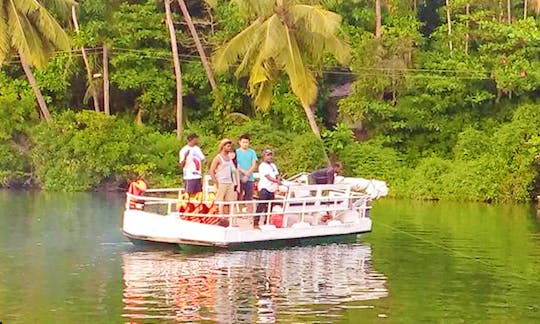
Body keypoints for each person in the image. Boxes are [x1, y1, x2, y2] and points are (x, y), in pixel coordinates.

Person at [209, 138, 238, 214]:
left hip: (229, 182)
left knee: (230, 202)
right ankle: (220, 217)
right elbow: (211, 170)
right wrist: (215, 182)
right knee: (220, 201)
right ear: (223, 146)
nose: (230, 148)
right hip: (221, 182)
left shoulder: (229, 158)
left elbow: (233, 170)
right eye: (228, 146)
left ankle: (229, 218)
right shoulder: (218, 158)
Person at [255, 149, 282, 227]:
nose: (270, 157)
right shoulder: (262, 166)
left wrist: (279, 179)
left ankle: (266, 222)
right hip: (264, 188)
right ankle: (256, 222)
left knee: (270, 206)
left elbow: (276, 174)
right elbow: (268, 177)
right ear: (264, 157)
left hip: (272, 189)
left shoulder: (273, 165)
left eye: (270, 155)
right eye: (268, 155)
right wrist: (277, 181)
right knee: (261, 206)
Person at [235, 134, 258, 211]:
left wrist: (247, 175)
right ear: (240, 142)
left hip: (249, 178)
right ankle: (240, 212)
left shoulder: (252, 152)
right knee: (239, 195)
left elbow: (254, 164)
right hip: (239, 177)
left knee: (249, 196)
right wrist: (244, 172)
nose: (245, 144)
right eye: (243, 142)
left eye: (247, 142)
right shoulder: (236, 152)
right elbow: (235, 165)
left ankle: (249, 212)